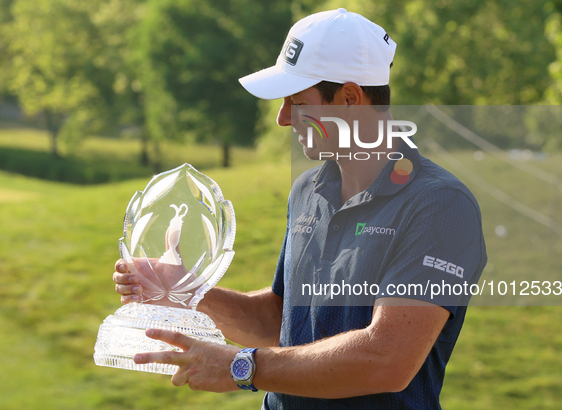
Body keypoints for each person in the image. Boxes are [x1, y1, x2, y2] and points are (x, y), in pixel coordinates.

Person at [113, 9, 487, 409]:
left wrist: (242, 367)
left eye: (297, 102)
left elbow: (387, 359)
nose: (282, 118)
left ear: (349, 98)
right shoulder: (307, 190)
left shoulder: (440, 205)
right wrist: (188, 290)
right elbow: (283, 323)